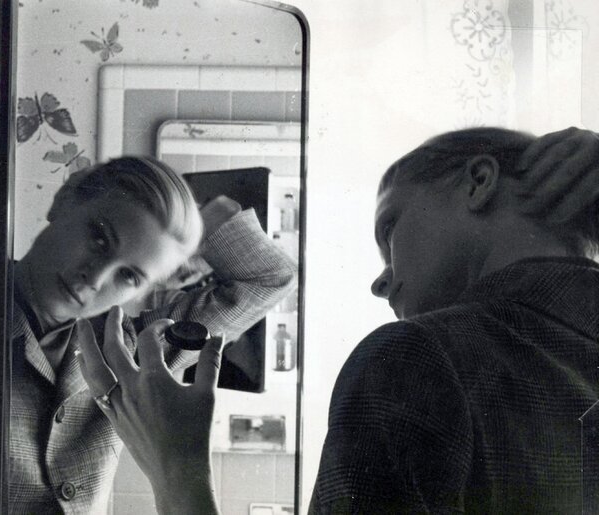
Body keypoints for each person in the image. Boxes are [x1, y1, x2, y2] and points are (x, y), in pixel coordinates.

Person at [78, 127, 599, 514]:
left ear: (479, 182)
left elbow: (270, 277)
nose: (380, 283)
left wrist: (176, 467)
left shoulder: (415, 358)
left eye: (389, 229)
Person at [9, 155, 297, 514]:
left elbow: (270, 278)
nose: (95, 279)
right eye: (99, 239)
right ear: (64, 199)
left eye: (129, 276)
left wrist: (196, 233)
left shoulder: (131, 354)